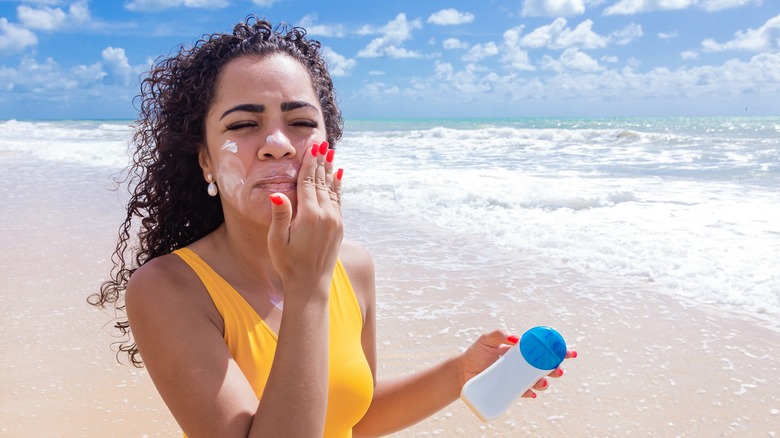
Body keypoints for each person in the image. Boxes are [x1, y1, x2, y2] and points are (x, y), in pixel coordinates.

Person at [89, 16, 576, 437]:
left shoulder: (354, 265)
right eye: (243, 125)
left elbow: (355, 417)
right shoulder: (169, 289)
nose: (278, 143)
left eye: (301, 122)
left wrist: (459, 373)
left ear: (328, 143)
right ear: (206, 162)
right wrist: (308, 288)